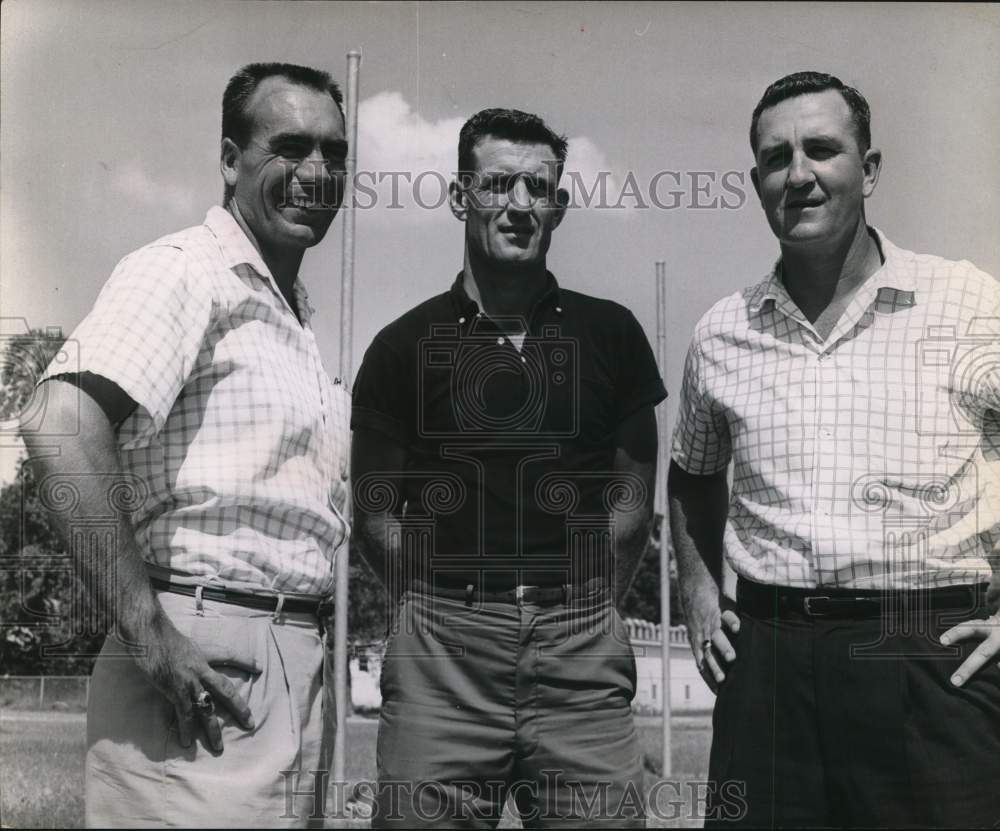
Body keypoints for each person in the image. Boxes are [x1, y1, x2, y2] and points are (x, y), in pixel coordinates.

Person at [21, 62, 351, 827]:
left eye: (334, 154)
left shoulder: (287, 310)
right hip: (204, 650)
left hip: (292, 661)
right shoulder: (184, 271)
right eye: (290, 147)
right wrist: (149, 629)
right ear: (231, 160)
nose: (316, 172)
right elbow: (59, 421)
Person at [669, 70, 1000, 828]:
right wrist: (696, 591)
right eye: (777, 157)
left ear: (870, 169)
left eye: (822, 149)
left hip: (929, 654)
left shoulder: (966, 300)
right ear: (756, 182)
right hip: (770, 664)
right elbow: (691, 471)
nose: (799, 174)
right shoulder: (724, 331)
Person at [351, 108, 666, 828]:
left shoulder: (611, 333)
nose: (519, 204)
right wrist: (444, 602)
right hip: (443, 657)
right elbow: (374, 510)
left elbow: (632, 498)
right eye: (498, 184)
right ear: (461, 195)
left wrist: (587, 602)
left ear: (559, 204)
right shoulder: (402, 346)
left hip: (580, 648)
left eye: (538, 187)